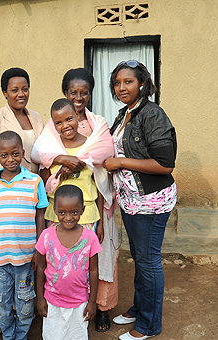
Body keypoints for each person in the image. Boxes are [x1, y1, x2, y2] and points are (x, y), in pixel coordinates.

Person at [103, 60, 177, 340]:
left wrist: (120, 162)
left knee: (148, 260)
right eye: (117, 83)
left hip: (152, 201)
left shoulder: (152, 114)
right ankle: (139, 308)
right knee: (139, 257)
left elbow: (165, 164)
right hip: (132, 201)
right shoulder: (125, 114)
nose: (122, 87)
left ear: (143, 84)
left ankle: (148, 325)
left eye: (128, 82)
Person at [31, 98, 118, 332]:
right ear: (53, 125)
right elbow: (45, 175)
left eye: (69, 119)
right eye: (58, 122)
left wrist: (100, 221)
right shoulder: (52, 146)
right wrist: (61, 163)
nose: (65, 125)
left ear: (78, 119)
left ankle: (84, 308)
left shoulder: (92, 145)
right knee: (56, 263)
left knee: (82, 266)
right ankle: (55, 307)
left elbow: (100, 185)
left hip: (88, 216)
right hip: (56, 215)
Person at [0, 67, 44, 311]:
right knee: (2, 246)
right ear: (4, 92)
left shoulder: (36, 117)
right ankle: (0, 305)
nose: (20, 94)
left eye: (24, 88)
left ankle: (26, 304)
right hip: (1, 194)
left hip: (30, 192)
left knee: (27, 247)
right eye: (14, 89)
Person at [62, 67, 119, 331]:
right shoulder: (57, 124)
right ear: (65, 92)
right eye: (73, 92)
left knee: (101, 254)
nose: (78, 97)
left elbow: (104, 158)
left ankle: (103, 308)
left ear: (90, 94)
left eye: (84, 92)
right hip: (65, 208)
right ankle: (69, 306)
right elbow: (45, 154)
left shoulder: (97, 124)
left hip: (96, 200)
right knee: (69, 259)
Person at [0, 131, 48, 340]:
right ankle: (8, 336)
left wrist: (38, 250)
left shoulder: (34, 182)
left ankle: (21, 335)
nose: (11, 159)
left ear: (23, 153)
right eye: (5, 155)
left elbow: (41, 216)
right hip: (0, 260)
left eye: (16, 154)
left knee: (25, 303)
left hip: (26, 259)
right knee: (2, 303)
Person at [36, 184, 102, 340]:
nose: (68, 217)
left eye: (74, 212)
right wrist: (40, 298)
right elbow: (40, 268)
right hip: (52, 300)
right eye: (62, 212)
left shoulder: (90, 238)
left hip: (79, 302)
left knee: (76, 335)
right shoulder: (46, 236)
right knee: (52, 335)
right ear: (54, 210)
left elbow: (93, 271)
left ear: (83, 210)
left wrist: (92, 302)